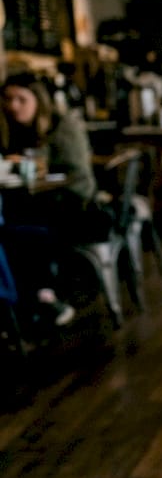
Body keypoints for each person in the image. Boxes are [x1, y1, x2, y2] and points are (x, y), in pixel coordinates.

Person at [0, 73, 98, 327]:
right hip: (33, 201)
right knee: (12, 225)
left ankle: (42, 297)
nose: (13, 106)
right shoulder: (12, 129)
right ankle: (32, 300)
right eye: (8, 99)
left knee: (24, 230)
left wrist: (37, 173)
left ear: (39, 100)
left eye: (21, 99)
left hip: (75, 203)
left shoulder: (62, 125)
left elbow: (78, 176)